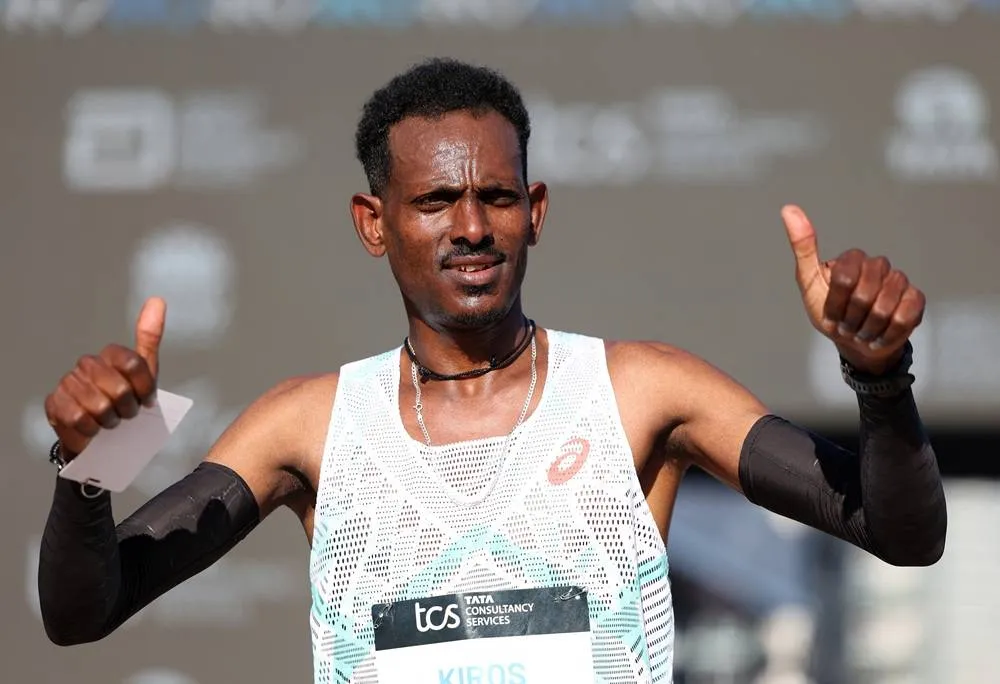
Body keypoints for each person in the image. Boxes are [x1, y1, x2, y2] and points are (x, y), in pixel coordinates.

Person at [37, 58, 947, 684]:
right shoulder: (307, 424)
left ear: (535, 211)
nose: (471, 227)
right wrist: (90, 469)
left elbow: (903, 534)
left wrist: (880, 379)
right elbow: (83, 612)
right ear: (373, 223)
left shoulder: (641, 392)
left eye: (498, 197)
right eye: (436, 201)